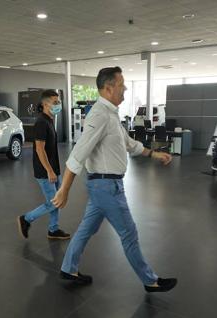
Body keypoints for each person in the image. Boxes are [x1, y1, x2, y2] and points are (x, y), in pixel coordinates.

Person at [51, 67, 177, 293]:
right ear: (109, 88)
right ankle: (150, 281)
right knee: (129, 233)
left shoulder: (110, 114)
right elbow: (78, 153)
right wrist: (64, 189)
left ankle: (69, 267)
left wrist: (153, 153)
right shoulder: (99, 115)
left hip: (103, 186)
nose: (125, 88)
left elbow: (128, 142)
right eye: (122, 84)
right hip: (107, 187)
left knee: (85, 230)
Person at [17, 89, 70, 240]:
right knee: (53, 203)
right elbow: (39, 149)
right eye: (55, 102)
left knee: (55, 200)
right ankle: (26, 219)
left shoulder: (49, 119)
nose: (58, 104)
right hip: (45, 171)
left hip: (53, 168)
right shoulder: (41, 122)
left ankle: (53, 229)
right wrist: (49, 171)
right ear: (45, 104)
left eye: (58, 101)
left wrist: (54, 170)